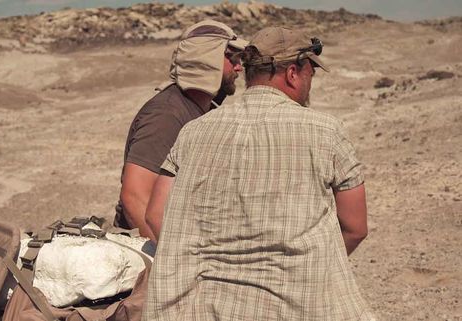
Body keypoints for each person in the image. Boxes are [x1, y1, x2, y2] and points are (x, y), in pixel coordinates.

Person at [143, 26, 375, 320]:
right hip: (294, 306)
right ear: (292, 73)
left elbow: (155, 215)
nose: (309, 84)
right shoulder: (326, 132)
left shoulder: (193, 131)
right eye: (310, 75)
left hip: (200, 307)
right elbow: (356, 227)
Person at [114, 20, 247, 240]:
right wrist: (169, 259)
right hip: (151, 250)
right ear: (206, 59)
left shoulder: (197, 109)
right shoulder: (167, 114)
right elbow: (135, 197)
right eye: (232, 58)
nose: (239, 67)